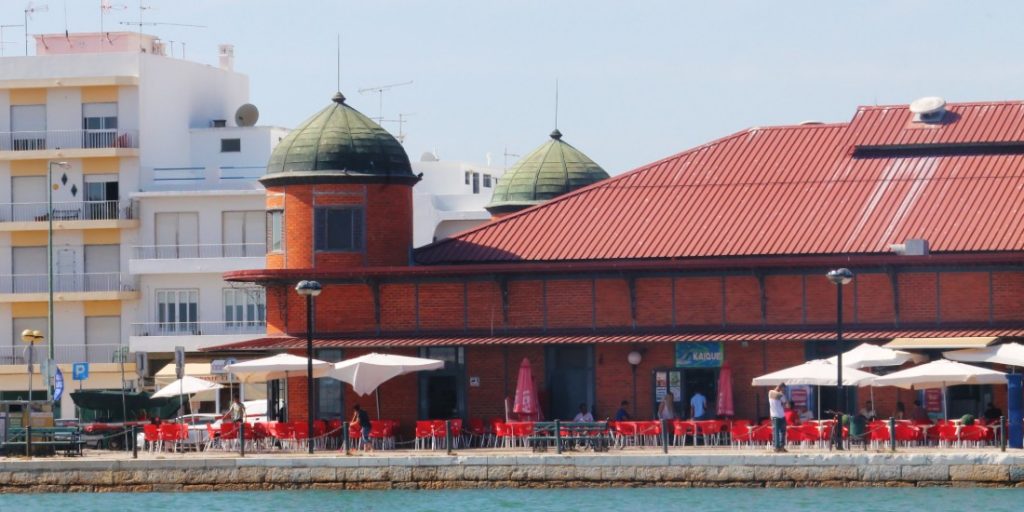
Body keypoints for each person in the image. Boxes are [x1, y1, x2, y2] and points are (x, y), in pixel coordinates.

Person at [768, 383, 786, 453]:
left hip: (774, 415)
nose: (784, 390)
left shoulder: (770, 392)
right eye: (783, 389)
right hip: (780, 415)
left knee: (776, 432)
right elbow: (787, 404)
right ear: (781, 387)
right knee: (781, 432)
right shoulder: (780, 395)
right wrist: (782, 397)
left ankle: (777, 447)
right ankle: (779, 447)